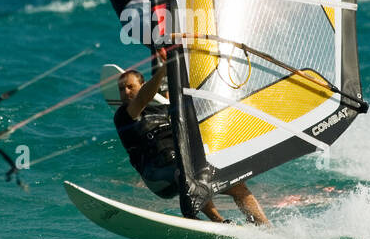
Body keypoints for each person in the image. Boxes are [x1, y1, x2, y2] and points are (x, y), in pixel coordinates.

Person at [113, 59, 268, 225]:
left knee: (236, 183)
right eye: (122, 89)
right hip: (157, 176)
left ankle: (263, 226)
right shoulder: (123, 116)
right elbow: (143, 99)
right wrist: (165, 69)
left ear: (142, 84)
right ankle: (218, 221)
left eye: (130, 87)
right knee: (188, 172)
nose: (126, 92)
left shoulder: (166, 109)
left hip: (183, 166)